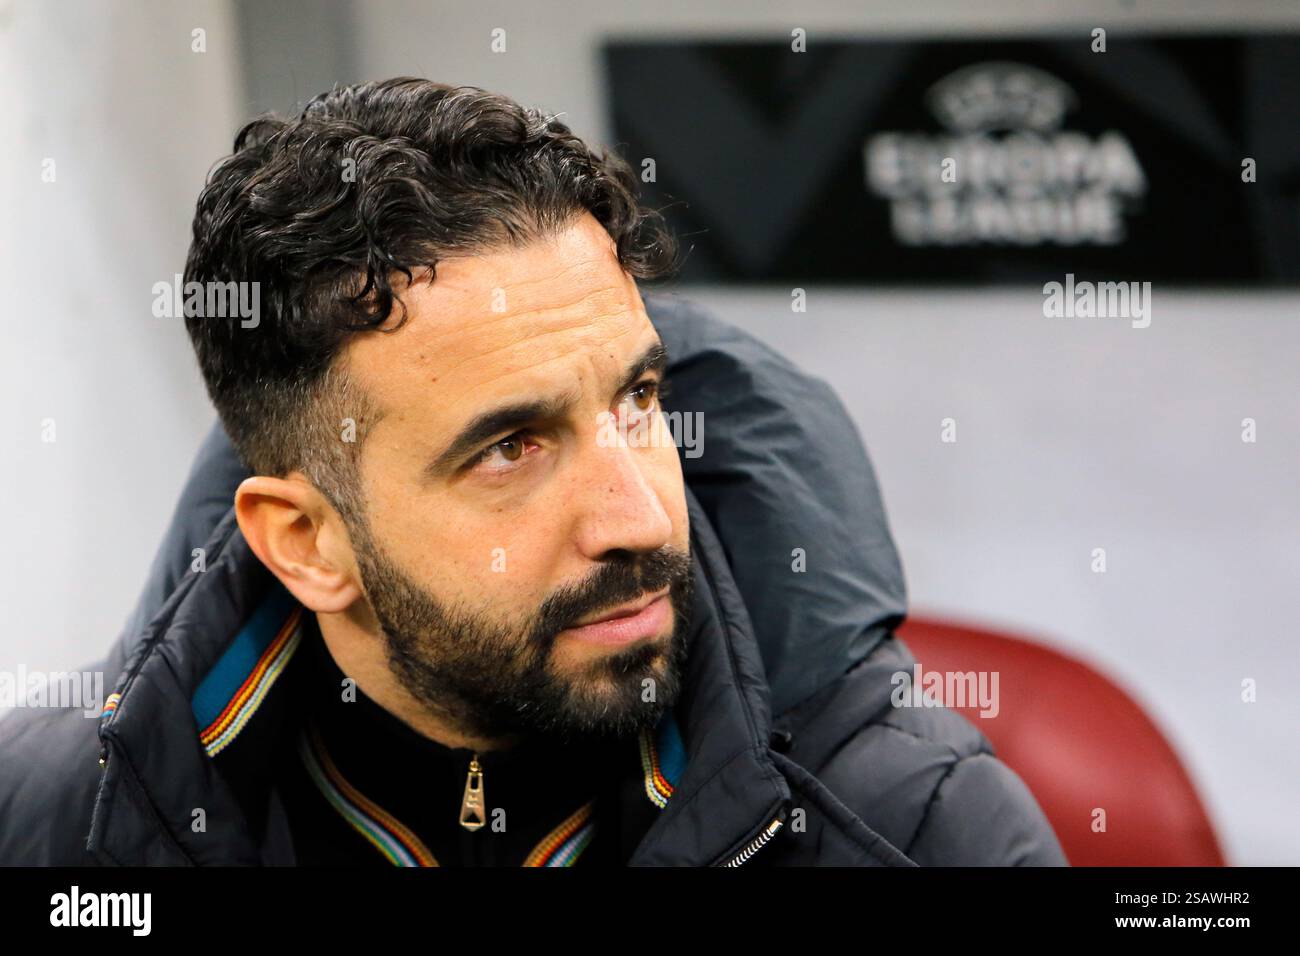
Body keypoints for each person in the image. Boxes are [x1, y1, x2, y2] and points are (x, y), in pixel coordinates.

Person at [0, 78, 1065, 866]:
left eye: (637, 401)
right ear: (306, 541)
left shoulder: (918, 832)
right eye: (511, 447)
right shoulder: (49, 825)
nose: (641, 515)